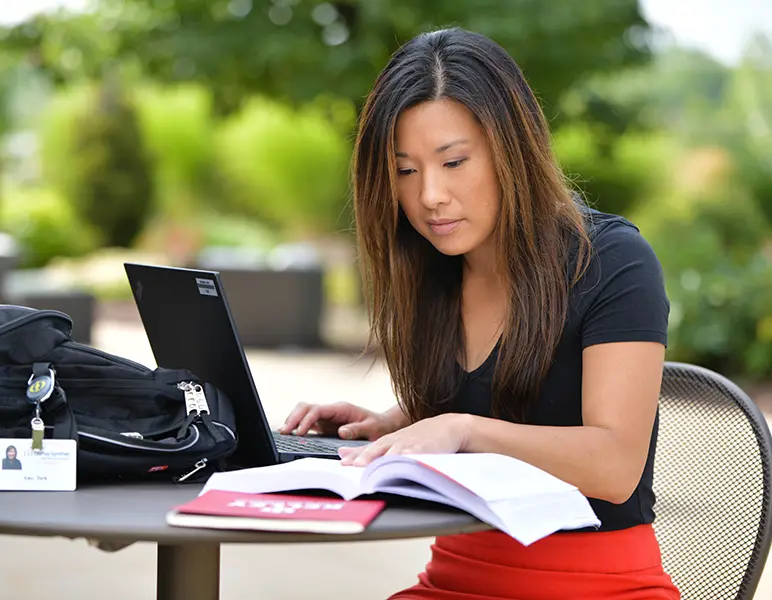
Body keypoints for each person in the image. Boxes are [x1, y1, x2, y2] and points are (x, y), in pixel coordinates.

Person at [279, 27, 680, 600]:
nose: (430, 196)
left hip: (595, 584)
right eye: (406, 170)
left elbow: (615, 465)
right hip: (454, 578)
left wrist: (461, 431)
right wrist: (391, 426)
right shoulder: (434, 266)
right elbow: (493, 395)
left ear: (511, 150)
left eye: (453, 161)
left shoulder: (611, 261)